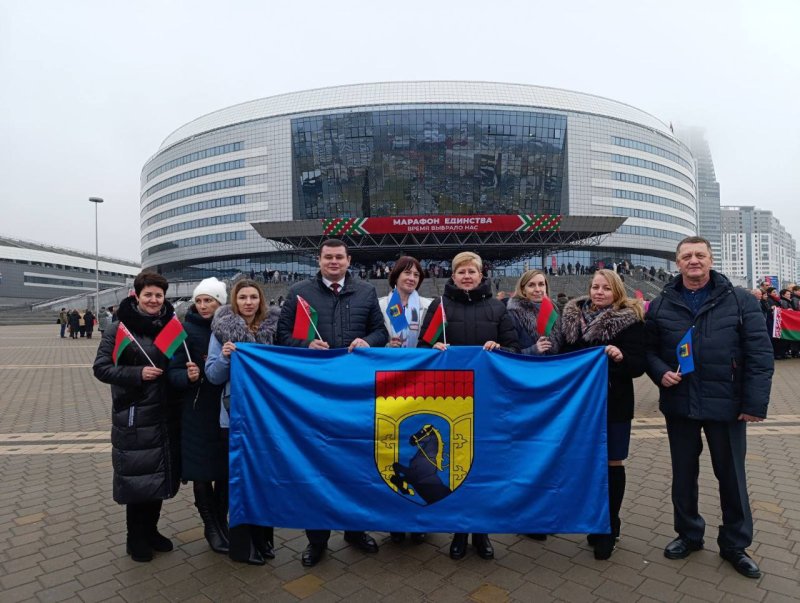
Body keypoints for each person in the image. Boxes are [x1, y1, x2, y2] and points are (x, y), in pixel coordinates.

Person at [645, 236, 773, 579]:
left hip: (728, 405)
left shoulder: (741, 300)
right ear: (678, 263)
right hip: (680, 402)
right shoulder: (661, 304)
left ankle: (735, 544)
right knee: (683, 475)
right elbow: (649, 351)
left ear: (711, 260)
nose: (694, 260)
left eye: (700, 255)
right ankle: (688, 534)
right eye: (687, 256)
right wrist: (660, 373)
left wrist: (754, 404)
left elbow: (760, 356)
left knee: (731, 475)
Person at [277, 238, 388, 568]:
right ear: (319, 259)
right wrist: (304, 343)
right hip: (316, 396)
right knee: (318, 466)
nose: (334, 262)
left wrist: (366, 340)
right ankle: (317, 539)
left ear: (348, 259)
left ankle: (355, 530)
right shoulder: (300, 293)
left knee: (357, 463)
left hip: (355, 395)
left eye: (340, 257)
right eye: (328, 257)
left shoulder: (366, 292)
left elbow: (380, 333)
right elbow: (282, 337)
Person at [418, 251, 519, 560]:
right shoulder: (440, 307)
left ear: (480, 274)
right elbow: (422, 348)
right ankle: (460, 531)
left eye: (471, 271)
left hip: (488, 402)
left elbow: (514, 348)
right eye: (460, 271)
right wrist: (431, 347)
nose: (466, 276)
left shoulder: (498, 308)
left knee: (484, 467)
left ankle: (482, 533)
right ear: (453, 275)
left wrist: (499, 348)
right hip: (451, 402)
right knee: (456, 466)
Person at [543, 269, 646, 559]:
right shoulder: (570, 317)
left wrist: (620, 356)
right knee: (583, 462)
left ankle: (609, 526)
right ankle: (588, 518)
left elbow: (637, 365)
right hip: (577, 406)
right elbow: (556, 352)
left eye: (606, 288)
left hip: (613, 403)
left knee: (613, 461)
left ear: (617, 292)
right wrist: (540, 349)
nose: (599, 292)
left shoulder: (631, 321)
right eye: (595, 287)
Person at [92, 271, 182, 562]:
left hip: (165, 412)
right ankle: (135, 538)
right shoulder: (119, 328)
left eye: (158, 295)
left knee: (157, 476)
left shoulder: (171, 325)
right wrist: (137, 373)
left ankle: (152, 531)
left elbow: (178, 363)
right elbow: (101, 367)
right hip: (134, 412)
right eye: (149, 295)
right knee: (137, 480)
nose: (154, 300)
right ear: (137, 296)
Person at [205, 279, 280, 566]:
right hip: (234, 418)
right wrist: (225, 357)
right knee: (240, 482)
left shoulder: (273, 330)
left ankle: (263, 538)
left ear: (261, 300)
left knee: (265, 480)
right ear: (234, 301)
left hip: (267, 418)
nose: (248, 302)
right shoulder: (221, 331)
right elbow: (212, 375)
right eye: (243, 297)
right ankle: (242, 545)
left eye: (253, 297)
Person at [168, 278, 230, 555]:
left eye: (210, 300)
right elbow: (171, 372)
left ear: (221, 302)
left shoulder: (231, 327)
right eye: (200, 300)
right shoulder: (181, 330)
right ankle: (210, 526)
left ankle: (222, 520)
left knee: (227, 472)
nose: (204, 306)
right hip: (197, 410)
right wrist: (187, 376)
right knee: (203, 473)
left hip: (228, 410)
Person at [377, 256, 431, 545]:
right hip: (389, 385)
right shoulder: (381, 306)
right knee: (391, 452)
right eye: (406, 273)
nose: (411, 278)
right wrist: (386, 346)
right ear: (394, 275)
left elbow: (434, 338)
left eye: (416, 274)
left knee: (418, 455)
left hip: (421, 385)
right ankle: (394, 519)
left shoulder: (428, 306)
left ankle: (420, 518)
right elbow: (371, 337)